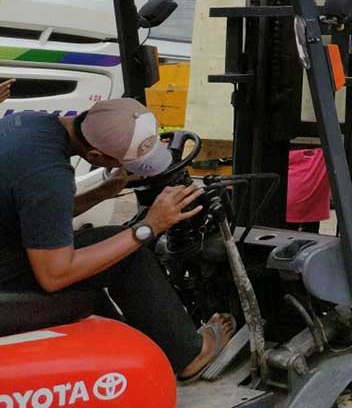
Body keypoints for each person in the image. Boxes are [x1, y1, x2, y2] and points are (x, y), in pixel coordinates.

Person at [0, 98, 235, 380]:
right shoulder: (49, 175)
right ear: (96, 156)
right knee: (128, 253)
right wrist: (149, 227)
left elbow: (42, 210)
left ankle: (132, 348)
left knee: (111, 244)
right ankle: (190, 356)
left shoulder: (29, 123)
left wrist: (104, 191)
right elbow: (54, 275)